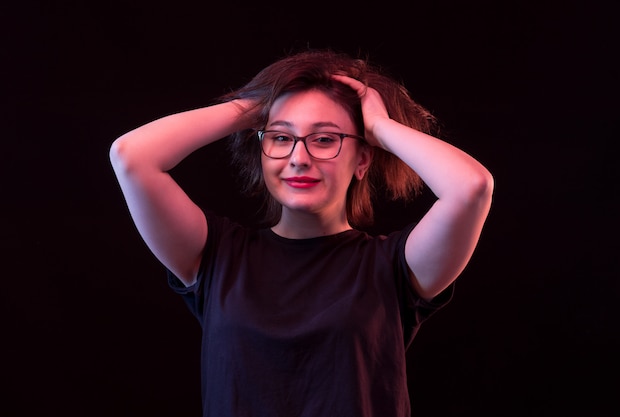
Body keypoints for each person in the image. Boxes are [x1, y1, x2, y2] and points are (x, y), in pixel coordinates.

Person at [109, 48, 494, 417]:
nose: (298, 157)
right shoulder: (216, 254)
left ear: (362, 159)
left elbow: (470, 188)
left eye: (325, 139)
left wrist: (379, 126)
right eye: (280, 137)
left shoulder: (394, 266)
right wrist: (257, 105)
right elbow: (132, 156)